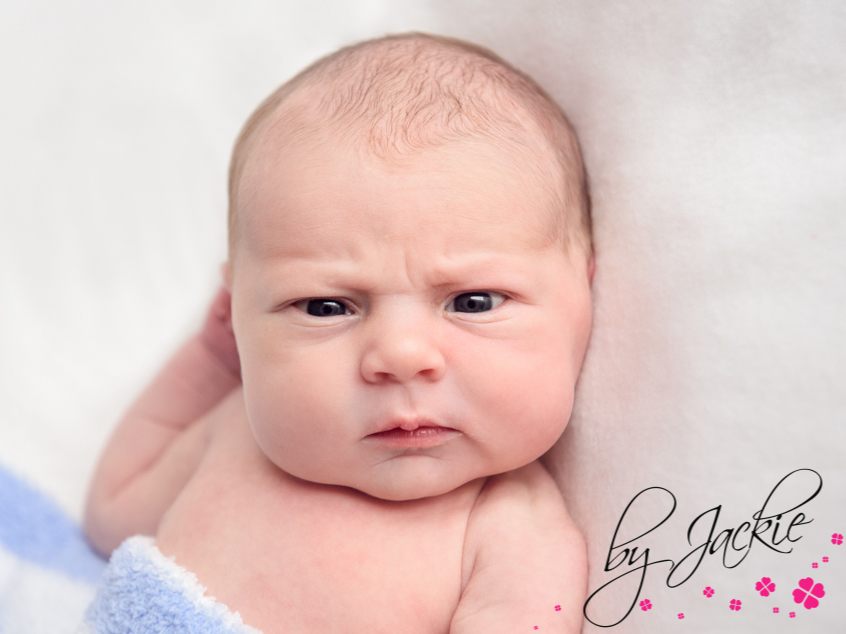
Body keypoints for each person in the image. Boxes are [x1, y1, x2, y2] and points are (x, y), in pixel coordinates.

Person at [83, 32, 595, 633]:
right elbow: (110, 513)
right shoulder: (237, 430)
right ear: (238, 309)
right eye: (326, 308)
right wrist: (208, 363)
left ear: (584, 294)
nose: (401, 356)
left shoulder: (515, 528)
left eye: (472, 301)